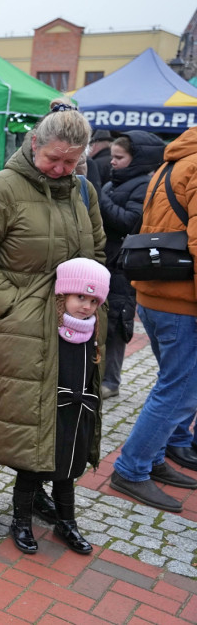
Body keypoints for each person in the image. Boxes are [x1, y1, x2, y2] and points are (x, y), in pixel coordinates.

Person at [0, 99, 106, 540]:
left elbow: (96, 252)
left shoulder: (83, 191)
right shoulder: (3, 186)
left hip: (67, 327)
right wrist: (10, 304)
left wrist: (88, 302)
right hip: (8, 325)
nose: (61, 168)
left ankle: (35, 485)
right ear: (34, 143)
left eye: (71, 161)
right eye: (53, 158)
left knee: (50, 412)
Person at [109, 125, 197, 512]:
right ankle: (131, 468)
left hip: (157, 294)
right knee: (178, 390)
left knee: (173, 385)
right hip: (181, 302)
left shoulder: (174, 161)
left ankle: (153, 459)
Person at [7, 258, 109, 555]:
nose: (86, 306)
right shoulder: (48, 330)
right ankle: (21, 521)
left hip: (76, 415)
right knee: (32, 469)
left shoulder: (93, 333)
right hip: (44, 414)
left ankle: (66, 521)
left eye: (93, 300)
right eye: (80, 297)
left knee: (67, 472)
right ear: (62, 296)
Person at [97, 132, 163, 400]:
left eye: (119, 157)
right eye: (112, 156)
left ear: (136, 159)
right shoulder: (115, 183)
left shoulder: (143, 185)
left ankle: (111, 381)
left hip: (123, 267)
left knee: (117, 323)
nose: (112, 162)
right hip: (107, 262)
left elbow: (130, 222)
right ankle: (98, 376)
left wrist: (99, 199)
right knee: (103, 321)